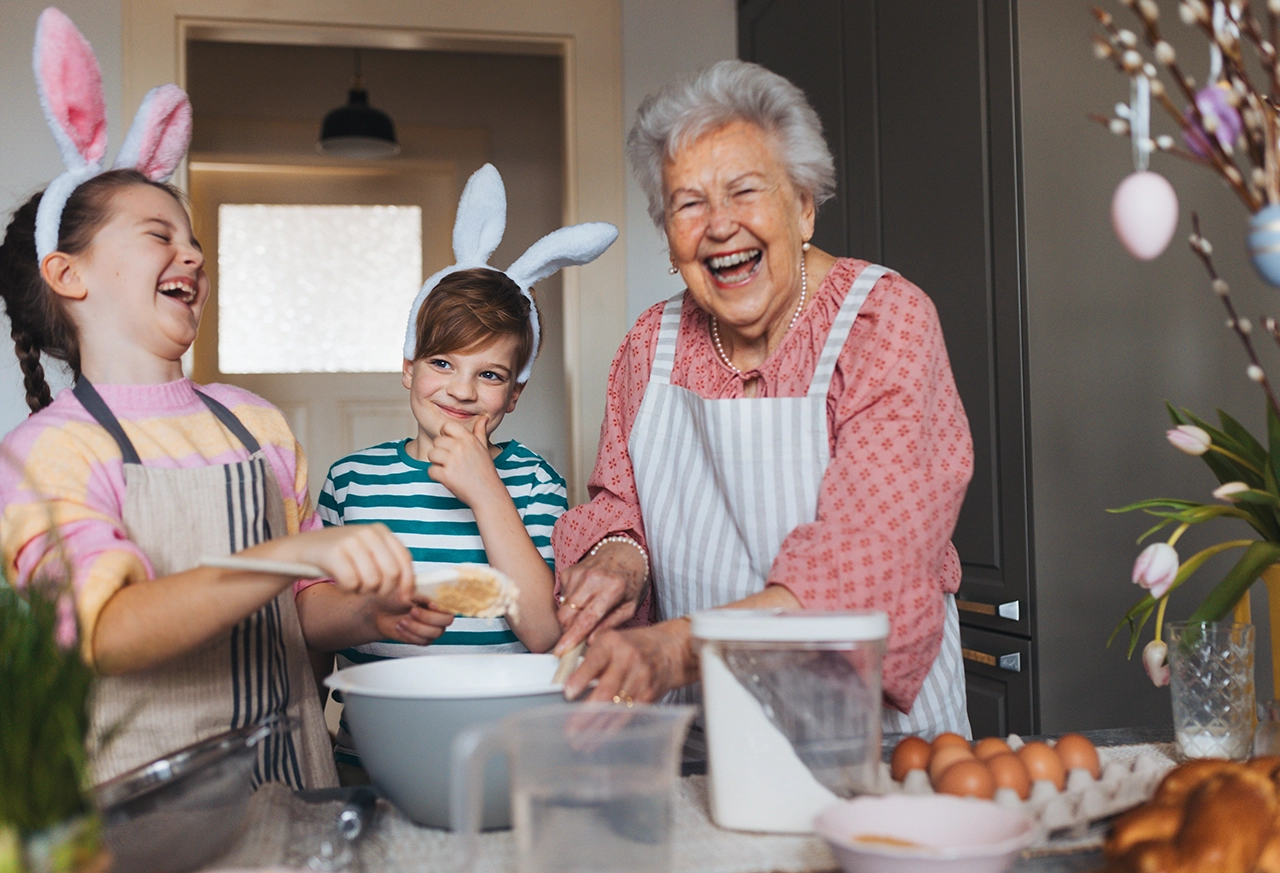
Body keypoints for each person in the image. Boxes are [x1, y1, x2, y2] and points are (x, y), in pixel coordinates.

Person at [0, 9, 419, 788]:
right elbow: (106, 631)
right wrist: (287, 551)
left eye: (191, 238)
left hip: (294, 784)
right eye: (159, 233)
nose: (191, 251)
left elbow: (300, 607)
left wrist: (365, 615)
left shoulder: (253, 421)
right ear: (68, 273)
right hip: (145, 814)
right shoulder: (49, 452)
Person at [551, 59, 975, 738]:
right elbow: (618, 504)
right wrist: (619, 557)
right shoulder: (649, 346)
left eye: (743, 191)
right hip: (707, 730)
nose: (718, 226)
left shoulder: (884, 323)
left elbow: (865, 562)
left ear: (803, 206)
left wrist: (671, 649)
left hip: (868, 737)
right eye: (689, 203)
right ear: (669, 238)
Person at [298, 163, 616, 779]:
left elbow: (544, 632)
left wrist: (485, 491)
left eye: (490, 374)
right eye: (442, 362)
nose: (462, 391)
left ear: (514, 395)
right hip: (376, 759)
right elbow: (312, 626)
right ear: (408, 369)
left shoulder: (532, 482)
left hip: (505, 758)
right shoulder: (352, 480)